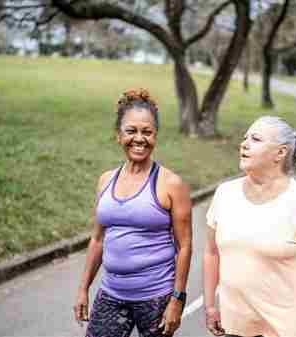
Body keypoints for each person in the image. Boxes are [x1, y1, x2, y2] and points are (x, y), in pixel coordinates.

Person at [73, 88, 193, 337]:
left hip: (156, 298)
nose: (140, 138)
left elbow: (184, 246)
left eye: (147, 132)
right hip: (111, 294)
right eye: (131, 131)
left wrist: (177, 299)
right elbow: (97, 239)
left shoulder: (171, 184)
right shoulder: (105, 180)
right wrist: (83, 288)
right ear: (119, 135)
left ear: (155, 136)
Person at [203, 116, 296, 337]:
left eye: (255, 139)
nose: (244, 143)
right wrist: (210, 306)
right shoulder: (225, 193)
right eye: (245, 138)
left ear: (280, 153)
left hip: (284, 330)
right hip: (232, 326)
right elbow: (211, 253)